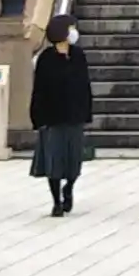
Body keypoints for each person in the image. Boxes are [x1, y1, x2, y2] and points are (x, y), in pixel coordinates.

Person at [29, 12, 95, 216]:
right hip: (53, 117)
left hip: (74, 116)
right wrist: (37, 117)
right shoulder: (46, 59)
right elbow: (39, 89)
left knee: (74, 162)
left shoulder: (78, 55)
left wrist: (86, 111)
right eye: (71, 28)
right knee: (54, 161)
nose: (74, 32)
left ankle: (70, 188)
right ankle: (56, 200)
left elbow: (85, 85)